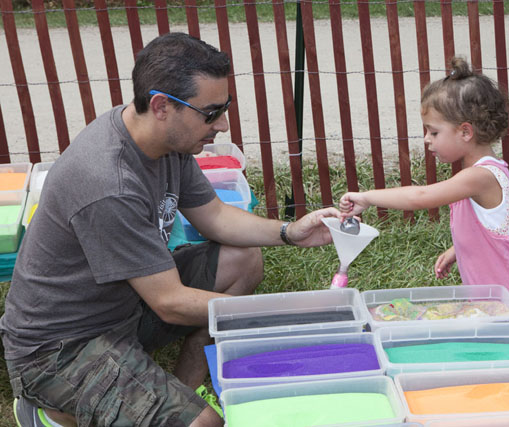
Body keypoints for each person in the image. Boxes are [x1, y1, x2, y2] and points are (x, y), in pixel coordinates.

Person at [0, 32, 340, 427]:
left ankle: (178, 389)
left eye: (225, 107)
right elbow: (170, 302)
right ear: (162, 106)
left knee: (243, 259)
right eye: (211, 113)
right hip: (61, 348)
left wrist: (289, 232)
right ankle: (49, 412)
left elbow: (214, 216)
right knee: (205, 425)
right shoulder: (109, 183)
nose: (224, 124)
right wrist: (279, 311)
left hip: (126, 305)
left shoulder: (162, 140)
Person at [339, 57, 509, 330]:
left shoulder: (479, 177)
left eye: (433, 131)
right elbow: (493, 231)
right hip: (496, 308)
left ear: (465, 132)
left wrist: (367, 197)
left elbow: (420, 197)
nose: (427, 139)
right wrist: (459, 248)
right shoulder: (480, 173)